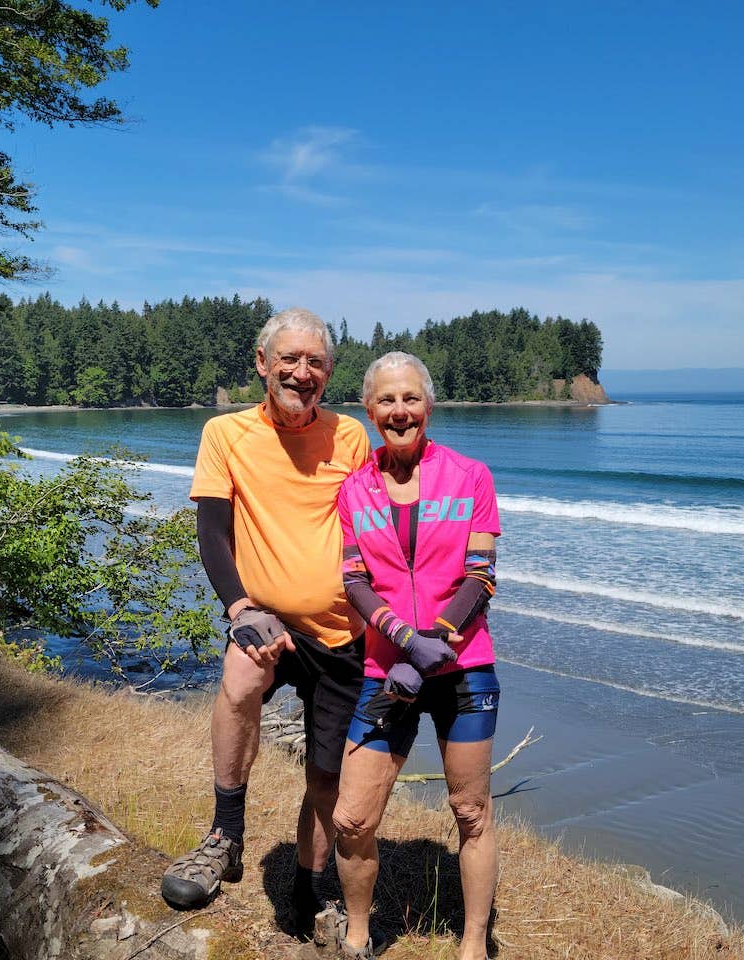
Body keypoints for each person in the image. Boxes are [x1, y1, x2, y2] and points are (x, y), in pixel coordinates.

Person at [161, 308, 371, 935]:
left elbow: (376, 533)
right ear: (262, 363)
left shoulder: (351, 437)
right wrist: (240, 607)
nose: (300, 373)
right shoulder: (225, 434)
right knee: (240, 681)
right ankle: (225, 836)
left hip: (343, 632)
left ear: (328, 374)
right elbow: (213, 533)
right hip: (267, 622)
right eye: (290, 359)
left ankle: (310, 886)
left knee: (326, 776)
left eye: (315, 363)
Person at [332, 352, 501, 960]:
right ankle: (357, 933)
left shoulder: (471, 476)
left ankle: (474, 943)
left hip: (464, 668)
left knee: (471, 810)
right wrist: (406, 646)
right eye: (386, 400)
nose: (399, 411)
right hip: (389, 671)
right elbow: (353, 582)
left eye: (410, 399)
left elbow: (479, 580)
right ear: (369, 410)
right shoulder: (353, 489)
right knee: (352, 818)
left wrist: (433, 646)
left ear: (428, 405)